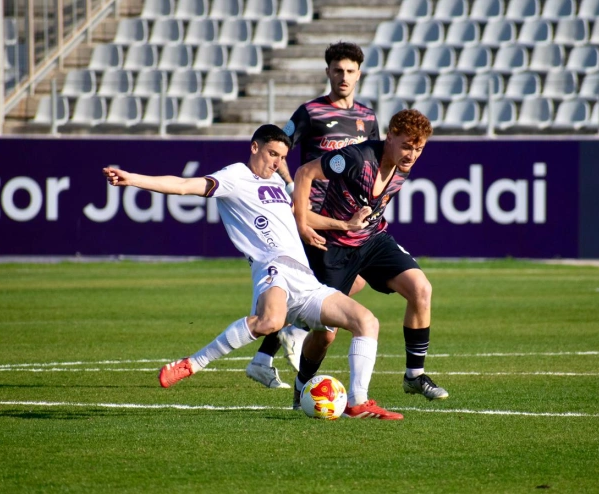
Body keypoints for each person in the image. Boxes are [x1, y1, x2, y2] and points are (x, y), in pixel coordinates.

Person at [102, 124, 403, 420]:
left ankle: (358, 402)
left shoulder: (277, 185)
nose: (276, 162)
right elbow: (183, 186)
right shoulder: (235, 176)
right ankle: (192, 364)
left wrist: (345, 225)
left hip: (305, 278)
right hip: (273, 266)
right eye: (272, 154)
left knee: (366, 321)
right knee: (270, 322)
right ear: (254, 147)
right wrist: (132, 179)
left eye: (282, 157)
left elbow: (303, 216)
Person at [291, 109, 449, 407]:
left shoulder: (402, 167)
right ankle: (301, 387)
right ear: (389, 137)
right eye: (406, 146)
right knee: (325, 335)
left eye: (419, 149)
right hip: (334, 248)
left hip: (373, 240)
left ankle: (414, 375)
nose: (412, 155)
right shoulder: (355, 158)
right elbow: (305, 172)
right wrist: (302, 223)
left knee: (421, 289)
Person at [245, 41, 380, 389]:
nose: (344, 77)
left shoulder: (368, 118)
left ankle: (269, 352)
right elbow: (279, 147)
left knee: (351, 281)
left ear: (359, 74)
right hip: (314, 215)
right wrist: (292, 186)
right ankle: (290, 335)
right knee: (323, 288)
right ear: (328, 72)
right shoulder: (310, 112)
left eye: (350, 71)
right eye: (338, 70)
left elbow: (375, 165)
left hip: (346, 216)